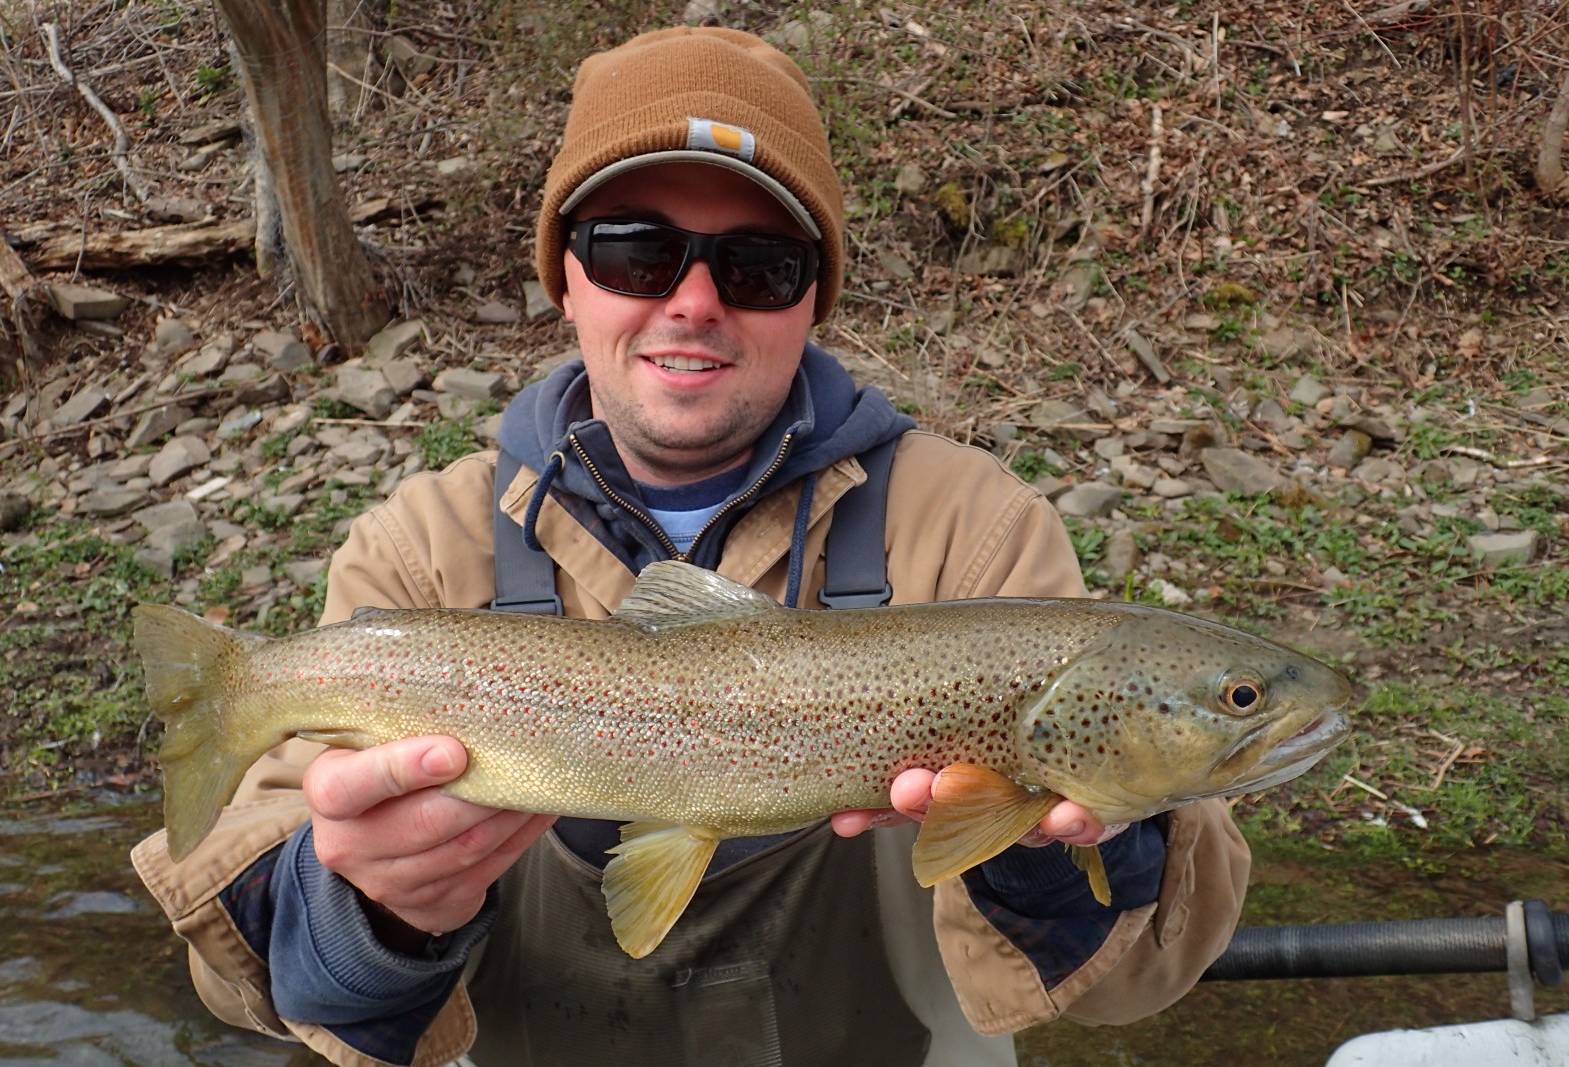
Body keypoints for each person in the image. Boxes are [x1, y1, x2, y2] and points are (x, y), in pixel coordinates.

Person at [133, 25, 1250, 1067]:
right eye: (634, 251)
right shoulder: (421, 554)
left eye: (757, 264)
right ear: (564, 276)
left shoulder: (973, 528)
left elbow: (1134, 978)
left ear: (812, 294)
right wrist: (369, 916)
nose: (695, 300)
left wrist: (1047, 857)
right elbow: (261, 981)